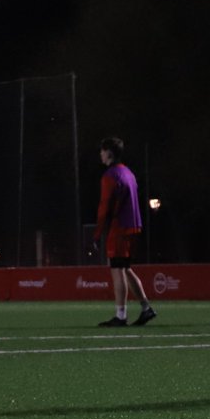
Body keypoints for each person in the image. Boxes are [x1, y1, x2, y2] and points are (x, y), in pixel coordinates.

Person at [90, 136, 157, 327]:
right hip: (134, 225)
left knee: (117, 269)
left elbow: (105, 206)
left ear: (109, 152)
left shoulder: (110, 175)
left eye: (102, 151)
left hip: (120, 227)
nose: (100, 155)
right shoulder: (128, 172)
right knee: (126, 268)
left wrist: (98, 232)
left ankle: (121, 315)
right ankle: (146, 308)